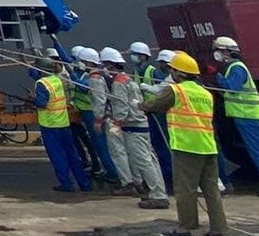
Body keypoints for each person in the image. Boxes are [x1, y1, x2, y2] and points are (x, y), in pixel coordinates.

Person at [142, 52, 227, 236]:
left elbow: (155, 105)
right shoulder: (205, 93)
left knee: (185, 189)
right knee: (211, 190)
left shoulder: (176, 91)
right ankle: (219, 229)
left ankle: (185, 228)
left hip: (186, 146)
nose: (171, 72)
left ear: (179, 73)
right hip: (208, 146)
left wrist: (139, 105)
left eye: (173, 69)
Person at [209, 36, 259, 197]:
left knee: (258, 150)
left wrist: (215, 76)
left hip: (247, 115)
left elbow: (232, 87)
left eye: (218, 50)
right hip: (247, 115)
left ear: (227, 51)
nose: (217, 53)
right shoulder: (235, 67)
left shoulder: (237, 68)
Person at [100, 47, 168, 210]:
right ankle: (157, 191)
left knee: (144, 161)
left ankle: (158, 195)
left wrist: (117, 123)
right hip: (141, 124)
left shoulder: (118, 83)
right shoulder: (128, 78)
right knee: (151, 159)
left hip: (133, 126)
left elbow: (121, 105)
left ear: (110, 65)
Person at [31, 60, 89, 194]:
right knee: (72, 154)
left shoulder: (41, 84)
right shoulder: (57, 80)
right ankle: (84, 183)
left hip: (50, 124)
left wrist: (32, 98)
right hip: (63, 122)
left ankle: (66, 184)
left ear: (40, 70)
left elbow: (42, 103)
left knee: (57, 155)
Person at [67, 47, 122, 187]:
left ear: (89, 62)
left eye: (83, 61)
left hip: (95, 114)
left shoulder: (94, 78)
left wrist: (98, 120)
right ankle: (113, 173)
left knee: (102, 146)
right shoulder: (102, 75)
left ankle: (114, 174)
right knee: (106, 147)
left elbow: (98, 99)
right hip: (100, 114)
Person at [131, 42, 174, 190]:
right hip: (147, 112)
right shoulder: (137, 71)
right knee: (155, 146)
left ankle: (170, 179)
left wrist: (148, 91)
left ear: (143, 56)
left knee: (164, 146)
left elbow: (164, 89)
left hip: (158, 113)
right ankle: (163, 177)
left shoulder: (153, 72)